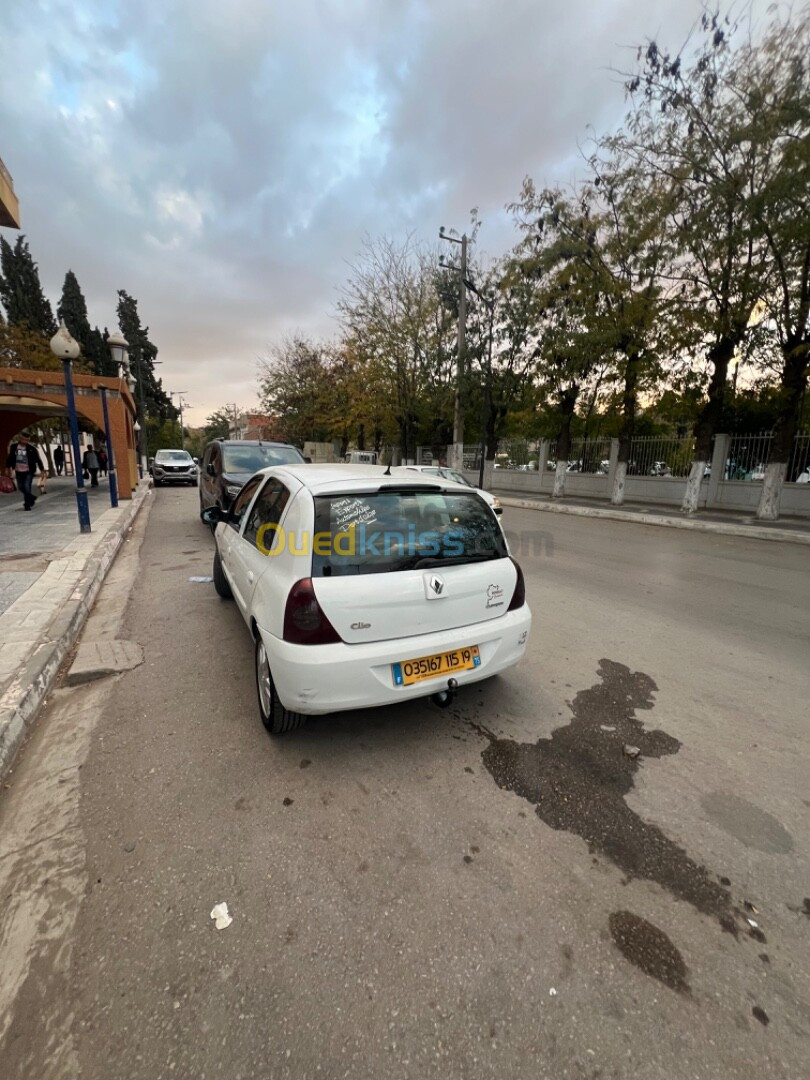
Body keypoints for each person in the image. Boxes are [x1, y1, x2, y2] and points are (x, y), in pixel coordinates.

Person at [5, 431, 39, 510]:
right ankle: (31, 498)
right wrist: (7, 467)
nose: (25, 442)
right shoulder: (14, 447)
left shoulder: (31, 448)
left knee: (27, 487)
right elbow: (10, 458)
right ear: (20, 439)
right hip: (18, 470)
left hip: (28, 471)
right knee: (20, 487)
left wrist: (42, 469)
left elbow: (37, 459)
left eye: (27, 440)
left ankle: (27, 505)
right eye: (24, 440)